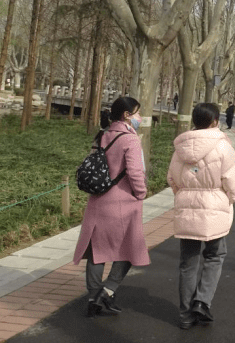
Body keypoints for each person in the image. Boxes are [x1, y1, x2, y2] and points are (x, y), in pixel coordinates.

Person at [167, 102, 235, 330]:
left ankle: (185, 314)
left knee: (188, 262)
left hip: (187, 206)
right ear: (215, 121)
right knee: (215, 254)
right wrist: (228, 199)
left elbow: (172, 179)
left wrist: (184, 195)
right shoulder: (222, 146)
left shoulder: (181, 148)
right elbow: (231, 180)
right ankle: (202, 301)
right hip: (214, 207)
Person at [73, 96, 150, 317]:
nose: (139, 117)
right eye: (137, 113)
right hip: (122, 204)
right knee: (128, 250)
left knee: (97, 252)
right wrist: (141, 193)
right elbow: (135, 172)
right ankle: (106, 292)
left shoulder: (103, 134)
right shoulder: (130, 139)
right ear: (127, 115)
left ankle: (92, 298)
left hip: (98, 201)